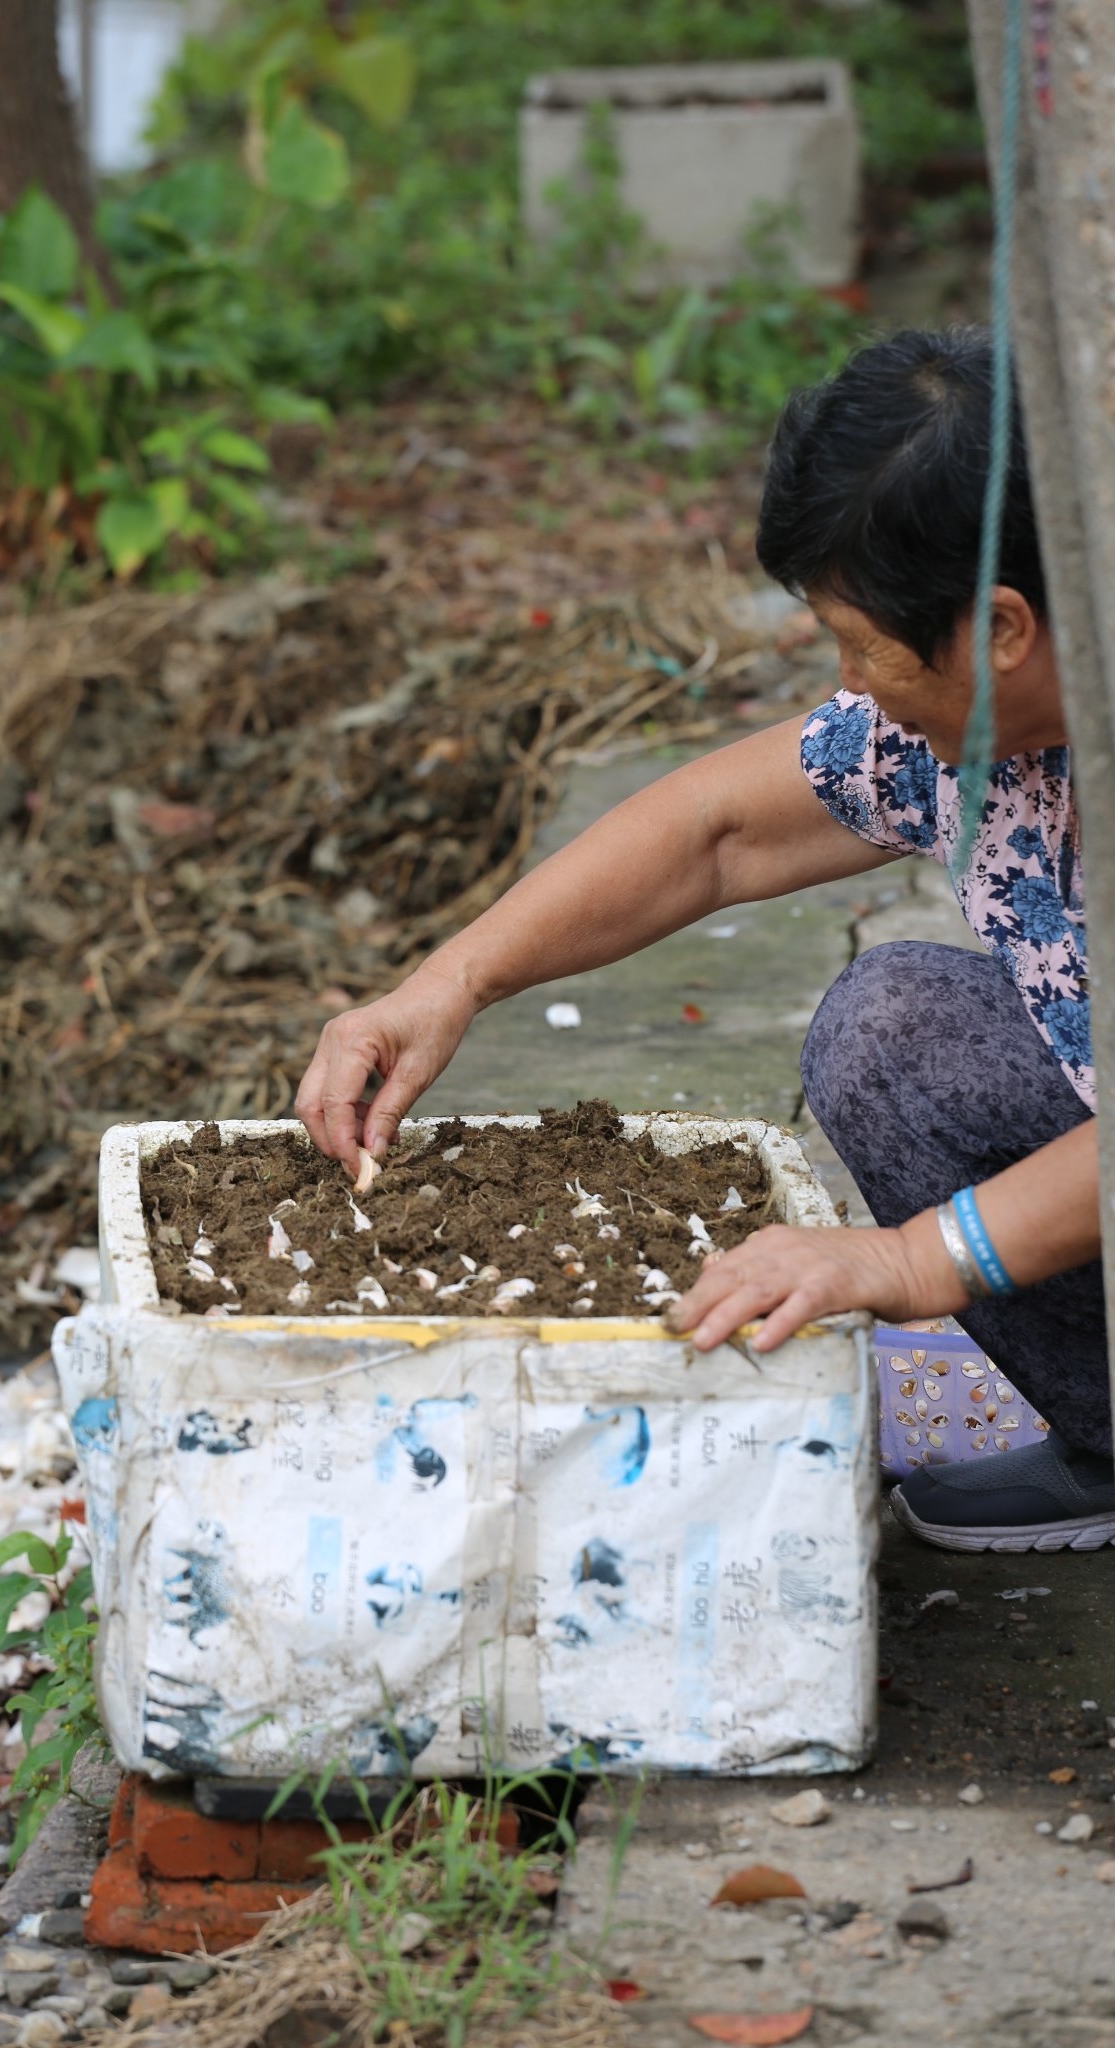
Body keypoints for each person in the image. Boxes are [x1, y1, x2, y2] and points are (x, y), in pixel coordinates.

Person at [295, 327, 1114, 1556]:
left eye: (865, 646)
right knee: (891, 1030)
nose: (853, 684)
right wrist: (449, 982)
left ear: (1002, 627)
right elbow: (716, 830)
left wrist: (904, 1260)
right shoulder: (971, 731)